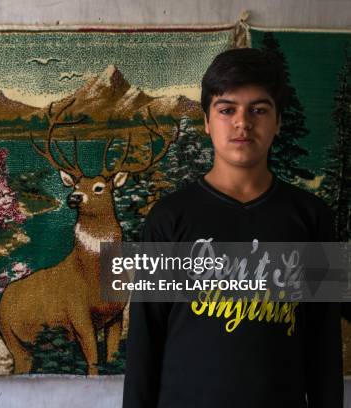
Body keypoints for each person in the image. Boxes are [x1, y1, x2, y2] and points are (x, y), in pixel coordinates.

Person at [122, 48, 343, 408]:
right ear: (207, 121)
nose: (243, 122)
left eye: (258, 109)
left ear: (278, 121)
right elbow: (145, 343)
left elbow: (325, 347)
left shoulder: (313, 218)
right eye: (227, 110)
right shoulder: (167, 219)